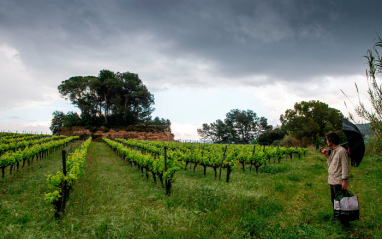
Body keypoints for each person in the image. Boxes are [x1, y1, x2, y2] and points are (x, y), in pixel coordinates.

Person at [320, 131, 350, 227]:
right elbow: (331, 164)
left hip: (338, 181)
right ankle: (337, 218)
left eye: (327, 139)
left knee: (341, 201)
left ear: (331, 140)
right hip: (332, 180)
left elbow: (345, 166)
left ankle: (345, 222)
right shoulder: (333, 151)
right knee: (334, 201)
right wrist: (327, 156)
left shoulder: (342, 151)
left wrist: (344, 180)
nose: (326, 141)